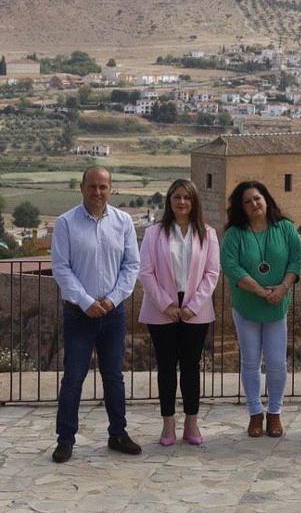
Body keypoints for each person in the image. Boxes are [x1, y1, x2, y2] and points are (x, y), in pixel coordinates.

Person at [50, 166, 142, 463]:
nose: (98, 192)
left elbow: (131, 265)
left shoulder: (124, 221)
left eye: (103, 187)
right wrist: (87, 301)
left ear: (111, 189)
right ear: (82, 187)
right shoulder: (65, 223)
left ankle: (118, 433)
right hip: (79, 314)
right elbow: (61, 268)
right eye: (93, 186)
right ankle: (65, 440)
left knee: (114, 376)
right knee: (73, 378)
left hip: (113, 314)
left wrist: (113, 299)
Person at [138, 178, 220, 447]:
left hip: (196, 311)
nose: (182, 202)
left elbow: (212, 273)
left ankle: (191, 422)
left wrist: (193, 306)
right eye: (177, 197)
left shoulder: (207, 234)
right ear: (169, 202)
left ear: (194, 201)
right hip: (162, 310)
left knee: (190, 367)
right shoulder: (153, 234)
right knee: (165, 368)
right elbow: (146, 273)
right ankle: (168, 423)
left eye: (187, 197)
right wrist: (166, 305)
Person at [220, 180, 301, 438]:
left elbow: (295, 261)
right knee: (251, 361)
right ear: (241, 207)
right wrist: (259, 290)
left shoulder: (286, 228)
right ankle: (255, 412)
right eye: (247, 201)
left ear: (266, 199)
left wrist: (282, 288)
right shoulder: (234, 235)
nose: (253, 204)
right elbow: (231, 266)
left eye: (257, 198)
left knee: (277, 362)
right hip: (247, 306)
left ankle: (275, 412)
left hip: (277, 305)